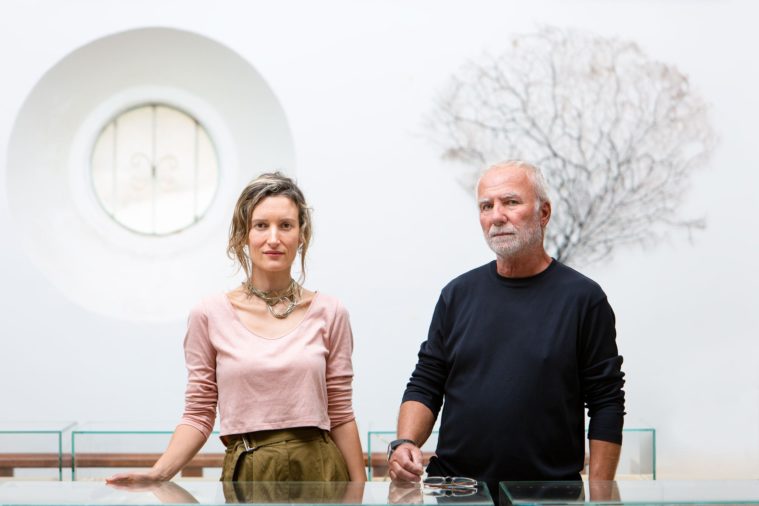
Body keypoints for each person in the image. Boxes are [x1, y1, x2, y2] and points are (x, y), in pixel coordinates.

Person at [107, 172, 366, 483]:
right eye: (261, 225)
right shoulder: (209, 314)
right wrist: (157, 474)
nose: (274, 238)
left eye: (285, 225)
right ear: (244, 235)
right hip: (248, 473)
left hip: (322, 473)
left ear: (301, 235)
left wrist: (360, 490)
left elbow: (340, 413)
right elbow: (199, 413)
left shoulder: (330, 312)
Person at [387, 160, 625, 496]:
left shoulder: (584, 299)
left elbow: (606, 402)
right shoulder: (457, 295)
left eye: (511, 202)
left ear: (544, 213)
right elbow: (427, 381)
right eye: (486, 206)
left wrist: (601, 495)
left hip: (549, 495)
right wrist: (405, 443)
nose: (497, 215)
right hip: (460, 491)